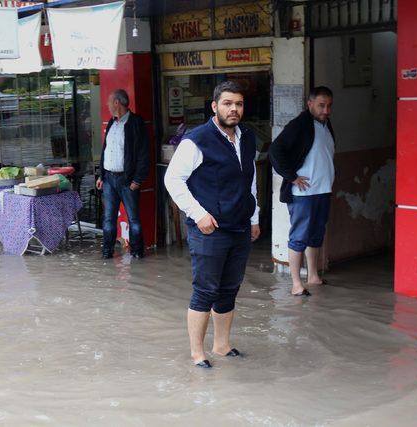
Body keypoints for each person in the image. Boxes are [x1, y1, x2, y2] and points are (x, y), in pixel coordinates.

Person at [164, 81, 261, 368]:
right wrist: (198, 214)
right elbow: (172, 179)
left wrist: (254, 218)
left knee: (230, 288)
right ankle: (197, 353)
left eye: (239, 104)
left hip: (240, 226)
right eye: (228, 103)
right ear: (214, 106)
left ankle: (221, 345)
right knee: (205, 290)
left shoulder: (247, 137)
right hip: (210, 229)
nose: (234, 109)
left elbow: (250, 180)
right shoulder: (197, 140)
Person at [269, 86, 335, 296]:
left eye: (329, 106)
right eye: (321, 105)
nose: (326, 110)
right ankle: (297, 284)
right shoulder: (300, 124)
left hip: (323, 190)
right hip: (303, 194)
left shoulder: (325, 124)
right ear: (310, 104)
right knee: (299, 236)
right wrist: (291, 176)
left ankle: (313, 276)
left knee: (316, 234)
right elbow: (275, 150)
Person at [96, 89, 149, 259]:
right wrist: (101, 175)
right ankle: (107, 253)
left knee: (134, 220)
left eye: (109, 102)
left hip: (128, 180)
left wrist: (137, 180)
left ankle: (137, 253)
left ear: (117, 103)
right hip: (109, 179)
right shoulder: (112, 123)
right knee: (108, 219)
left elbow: (143, 154)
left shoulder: (136, 123)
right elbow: (106, 151)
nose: (108, 105)